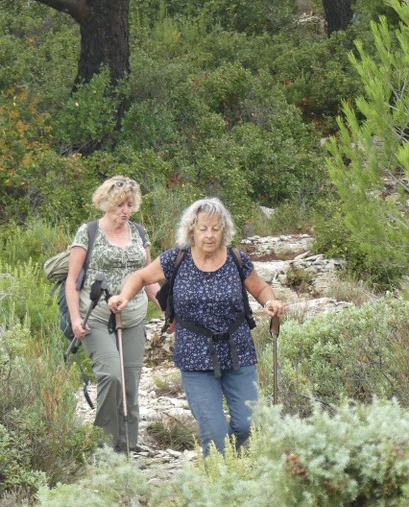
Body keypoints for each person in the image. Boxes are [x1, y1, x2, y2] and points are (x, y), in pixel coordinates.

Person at [108, 197, 284, 456]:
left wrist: (271, 302)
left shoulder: (237, 258)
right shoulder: (175, 259)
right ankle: (219, 480)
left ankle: (229, 465)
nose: (209, 235)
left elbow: (260, 288)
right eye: (203, 229)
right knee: (214, 434)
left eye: (215, 228)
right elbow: (140, 276)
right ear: (191, 229)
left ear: (224, 230)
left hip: (239, 352)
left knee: (249, 424)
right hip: (194, 356)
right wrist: (124, 296)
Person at [66, 176, 160, 452]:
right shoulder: (89, 232)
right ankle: (105, 446)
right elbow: (72, 281)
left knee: (130, 383)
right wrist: (74, 319)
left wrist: (167, 307)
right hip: (95, 317)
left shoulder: (139, 233)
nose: (126, 210)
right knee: (110, 376)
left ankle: (127, 447)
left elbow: (148, 277)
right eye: (120, 204)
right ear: (106, 203)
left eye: (130, 204)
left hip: (132, 318)